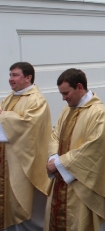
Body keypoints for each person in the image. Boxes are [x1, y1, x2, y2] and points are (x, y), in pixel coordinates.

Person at [46, 68, 105, 230]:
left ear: (79, 87)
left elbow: (94, 149)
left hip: (87, 185)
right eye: (61, 94)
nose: (64, 99)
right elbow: (55, 135)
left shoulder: (99, 113)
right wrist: (53, 157)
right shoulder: (67, 110)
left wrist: (60, 164)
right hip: (64, 178)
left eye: (66, 93)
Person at [0, 62, 51, 230]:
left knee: (25, 200)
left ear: (28, 77)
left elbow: (28, 126)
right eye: (10, 75)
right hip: (8, 160)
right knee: (10, 199)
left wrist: (5, 116)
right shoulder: (10, 98)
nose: (10, 79)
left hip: (26, 162)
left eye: (15, 75)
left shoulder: (37, 100)